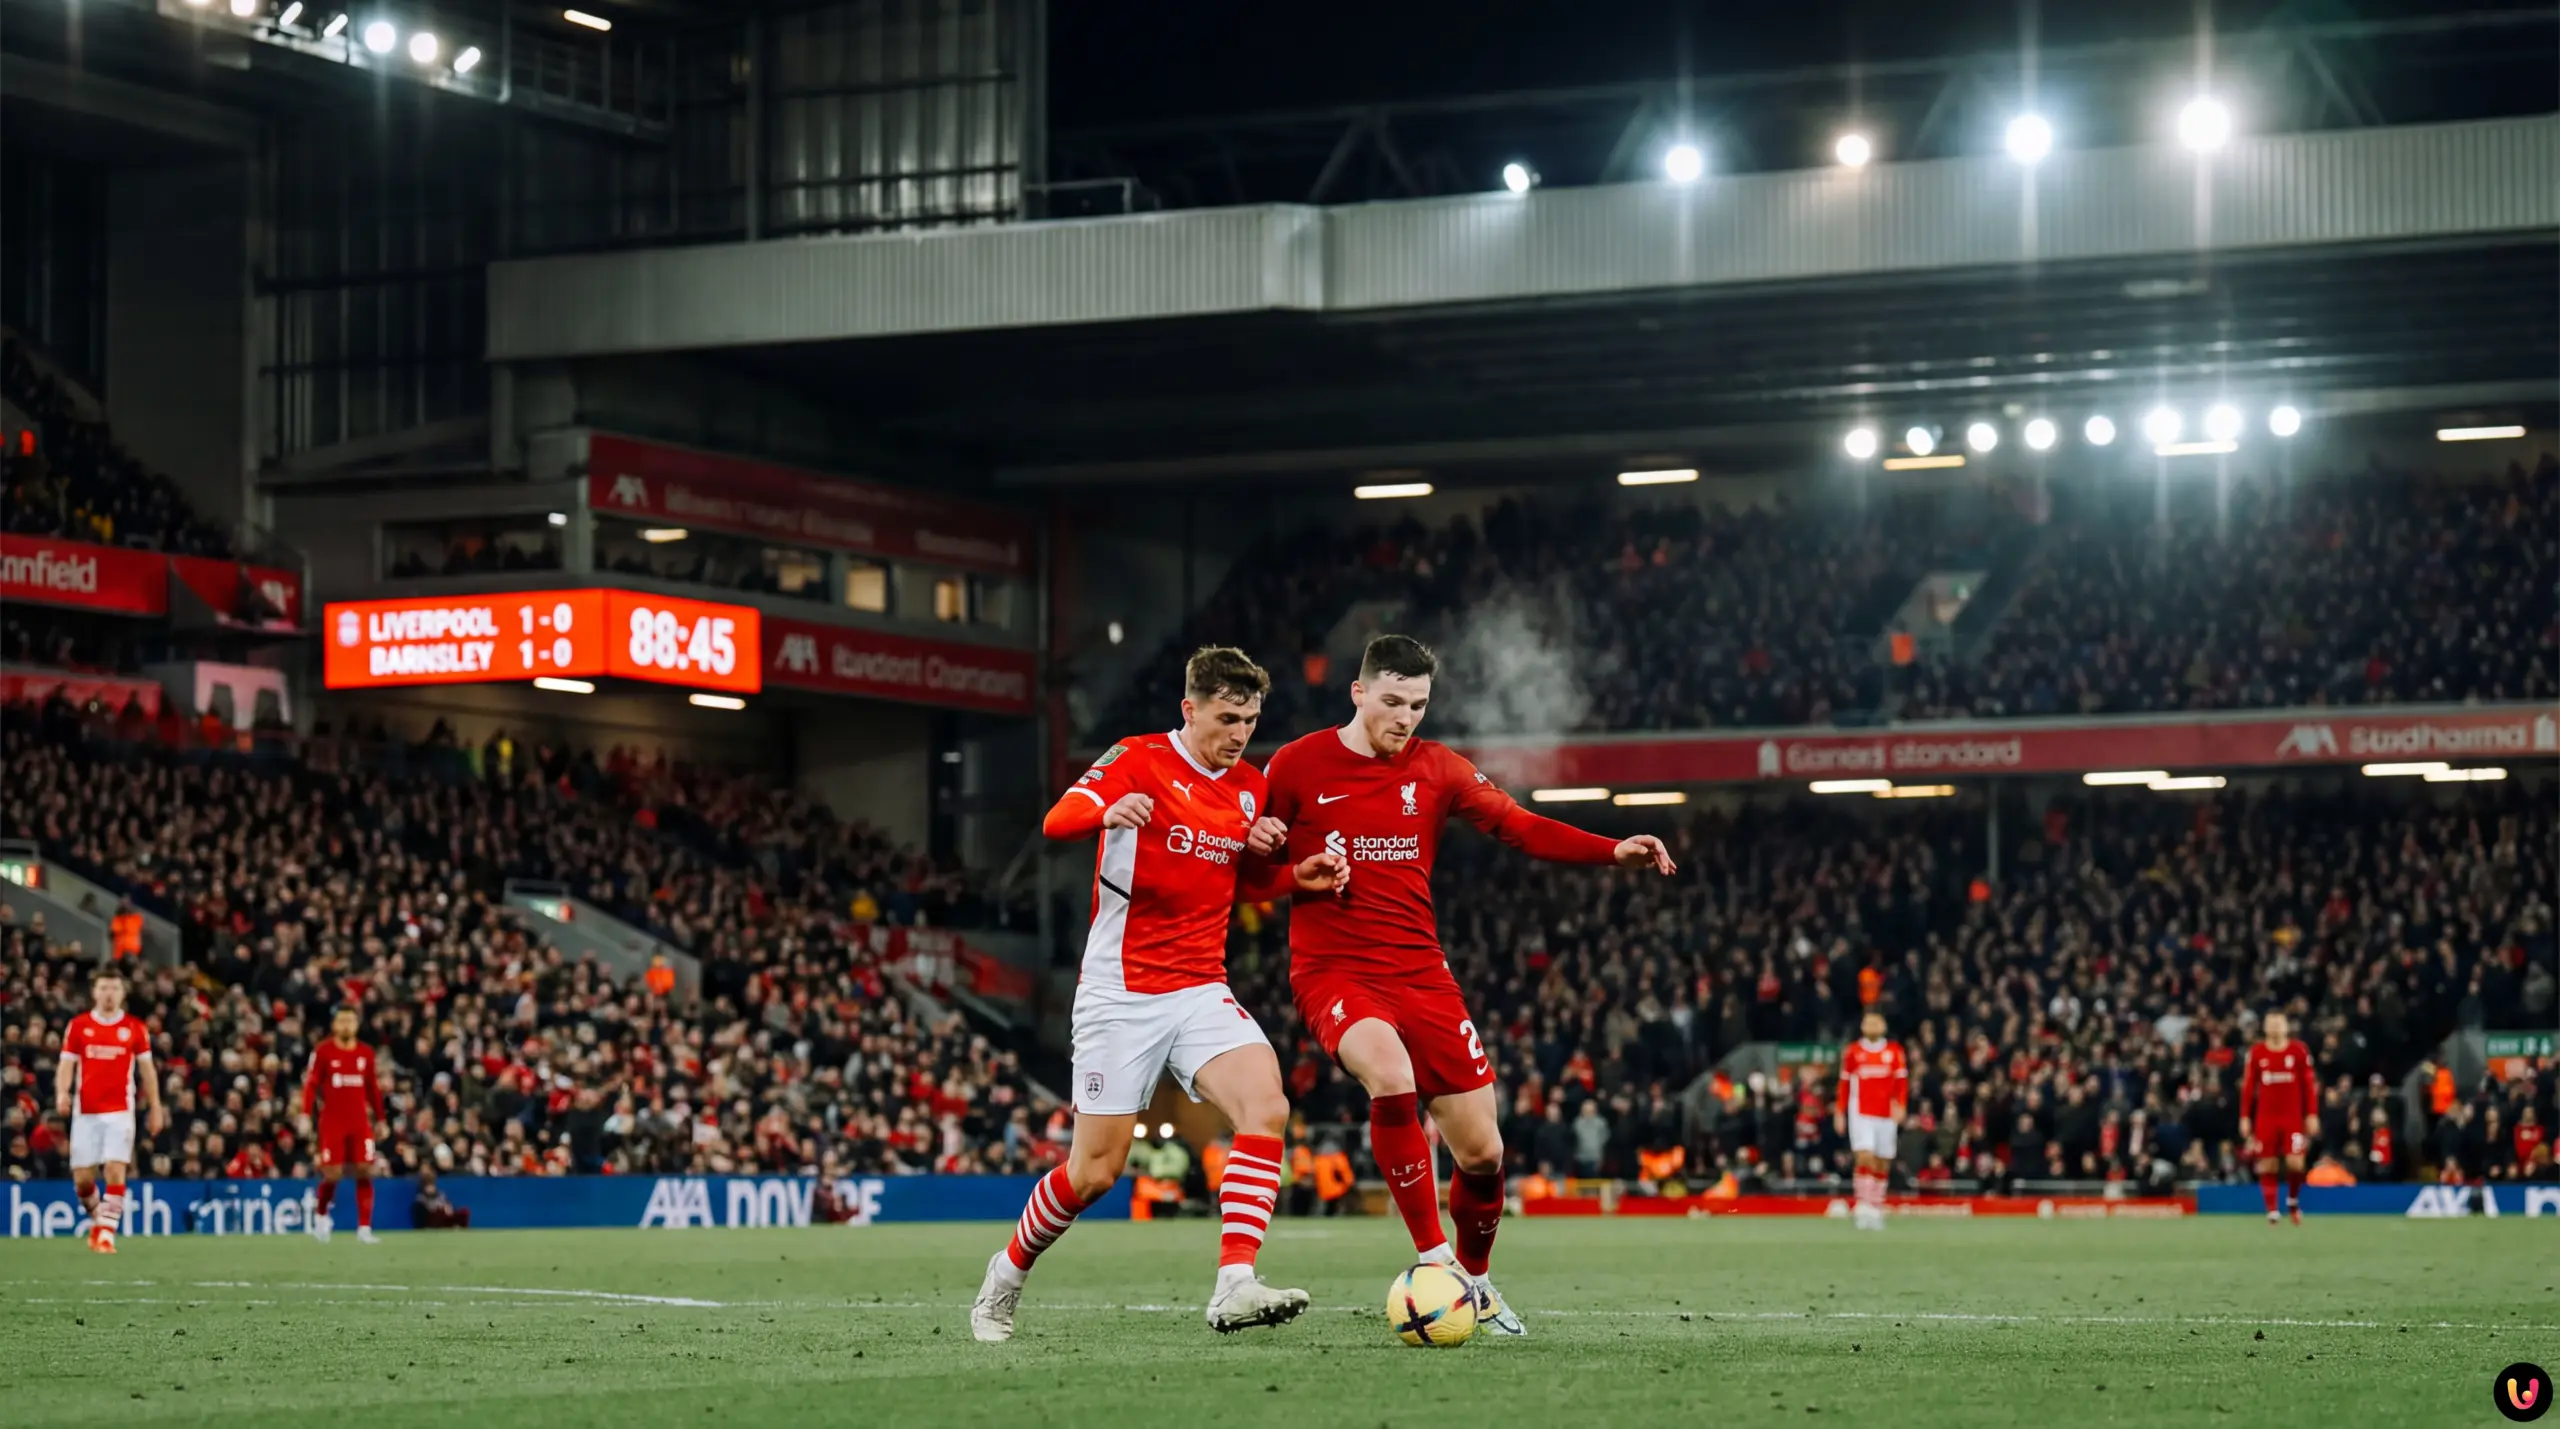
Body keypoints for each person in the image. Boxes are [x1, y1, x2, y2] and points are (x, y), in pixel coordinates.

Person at [1262, 633, 1676, 1336]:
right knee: (1390, 1075)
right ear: (1358, 693)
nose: (1405, 717)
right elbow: (1247, 863)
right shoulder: (1297, 764)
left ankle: (1476, 1282)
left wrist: (1612, 850)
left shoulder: (1438, 768)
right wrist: (1276, 864)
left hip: (1422, 973)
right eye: (1392, 701)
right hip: (1335, 970)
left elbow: (1520, 826)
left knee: (1483, 1152)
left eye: (1418, 704)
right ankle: (1437, 1261)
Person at [972, 647, 1348, 1343]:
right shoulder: (1137, 757)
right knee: (1095, 1172)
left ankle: (1235, 1282)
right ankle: (1007, 1273)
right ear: (1189, 709)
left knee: (1266, 1105)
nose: (1240, 734)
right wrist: (1107, 809)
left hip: (1200, 986)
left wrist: (1294, 874)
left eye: (1250, 721)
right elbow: (1057, 821)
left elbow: (1236, 884)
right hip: (1121, 991)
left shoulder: (1249, 787)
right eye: (1227, 718)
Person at [55, 969, 166, 1253]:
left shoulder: (134, 1028)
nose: (109, 994)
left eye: (114, 988)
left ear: (122, 993)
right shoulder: (79, 1026)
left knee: (115, 1170)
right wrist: (62, 1093)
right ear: (94, 992)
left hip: (120, 1110)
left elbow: (148, 1071)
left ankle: (106, 1234)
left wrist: (156, 1106)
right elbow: (67, 1064)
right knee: (83, 1180)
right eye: (104, 988)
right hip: (86, 1112)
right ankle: (99, 1221)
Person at [300, 1005, 385, 1244]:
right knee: (333, 1174)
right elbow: (311, 1084)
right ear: (334, 1025)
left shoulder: (366, 1053)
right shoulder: (323, 1051)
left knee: (365, 1169)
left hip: (359, 1122)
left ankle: (364, 1228)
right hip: (332, 1122)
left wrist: (381, 1119)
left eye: (351, 1020)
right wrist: (305, 1114)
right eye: (342, 1020)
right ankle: (321, 1217)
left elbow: (373, 1088)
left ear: (357, 1025)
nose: (347, 1025)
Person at [2240, 1011, 2317, 1225]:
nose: (2275, 1027)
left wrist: (2312, 1113)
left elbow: (2309, 1085)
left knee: (2296, 1163)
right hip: (2266, 1118)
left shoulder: (2298, 1051)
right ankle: (2272, 1211)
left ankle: (2292, 1200)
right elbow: (2248, 1087)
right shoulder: (2257, 1053)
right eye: (2271, 1023)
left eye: (2279, 1023)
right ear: (2265, 1027)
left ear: (2286, 1026)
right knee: (2268, 1164)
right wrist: (2244, 1116)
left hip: (2292, 1118)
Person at [1836, 1011, 1908, 1231]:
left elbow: (1901, 1083)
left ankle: (1876, 1207)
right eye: (1868, 1022)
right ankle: (1863, 1205)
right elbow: (1844, 1083)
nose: (1872, 1025)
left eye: (1876, 1022)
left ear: (1883, 1026)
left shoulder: (1894, 1052)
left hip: (1886, 1114)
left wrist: (1901, 1105)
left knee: (1882, 1161)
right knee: (1865, 1156)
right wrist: (1839, 1112)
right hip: (1861, 1113)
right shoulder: (1853, 1052)